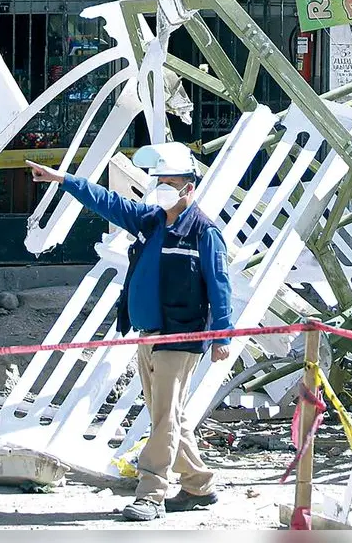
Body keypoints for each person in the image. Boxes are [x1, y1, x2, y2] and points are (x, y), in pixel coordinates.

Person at [26, 142, 233, 522]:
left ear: (189, 187)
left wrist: (222, 336)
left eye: (171, 182)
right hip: (147, 335)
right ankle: (199, 485)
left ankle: (151, 494)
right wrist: (64, 180)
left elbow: (220, 285)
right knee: (168, 416)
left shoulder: (203, 232)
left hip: (180, 337)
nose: (163, 188)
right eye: (160, 181)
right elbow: (107, 201)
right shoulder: (150, 221)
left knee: (165, 419)